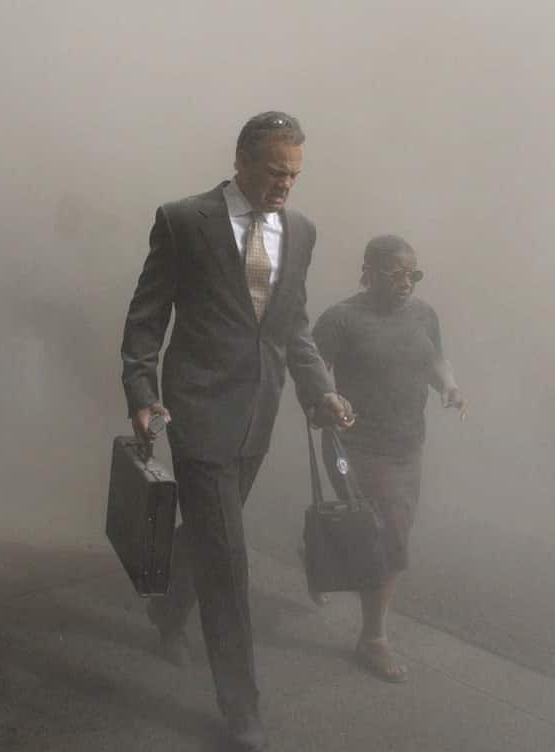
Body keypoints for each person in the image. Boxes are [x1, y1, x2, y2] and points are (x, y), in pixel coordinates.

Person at [120, 111, 354, 751]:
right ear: (242, 161)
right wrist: (141, 392)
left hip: (259, 413)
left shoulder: (300, 231)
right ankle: (240, 708)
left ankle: (166, 610)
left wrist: (320, 388)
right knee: (227, 558)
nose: (286, 185)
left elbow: (293, 324)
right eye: (276, 171)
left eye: (295, 174)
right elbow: (147, 317)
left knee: (205, 531)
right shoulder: (181, 220)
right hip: (196, 411)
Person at [311, 234, 466, 683]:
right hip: (355, 446)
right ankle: (373, 639)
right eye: (395, 273)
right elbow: (312, 371)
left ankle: (318, 551)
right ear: (368, 273)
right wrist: (327, 400)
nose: (406, 283)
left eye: (413, 274)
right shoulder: (341, 319)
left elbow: (435, 360)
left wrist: (449, 386)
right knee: (386, 537)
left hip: (406, 445)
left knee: (381, 532)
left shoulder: (423, 314)